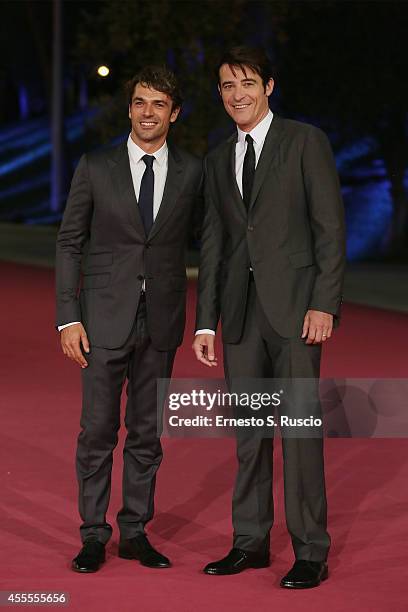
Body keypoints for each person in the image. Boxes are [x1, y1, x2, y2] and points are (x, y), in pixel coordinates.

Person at [193, 46, 345, 589]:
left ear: (269, 86)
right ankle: (249, 542)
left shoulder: (305, 142)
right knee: (249, 436)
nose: (238, 95)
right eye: (228, 87)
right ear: (220, 95)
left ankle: (310, 550)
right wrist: (205, 321)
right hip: (239, 317)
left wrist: (325, 301)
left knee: (300, 434)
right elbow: (214, 245)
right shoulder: (216, 159)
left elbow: (329, 227)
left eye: (248, 83)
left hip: (297, 311)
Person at [56, 65, 202, 573]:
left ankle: (135, 531)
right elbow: (70, 242)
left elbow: (209, 243)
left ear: (174, 114)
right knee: (97, 431)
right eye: (140, 102)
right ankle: (94, 535)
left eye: (159, 104)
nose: (147, 112)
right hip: (101, 320)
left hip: (160, 321)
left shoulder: (192, 172)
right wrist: (67, 318)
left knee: (146, 433)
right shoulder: (96, 166)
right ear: (129, 109)